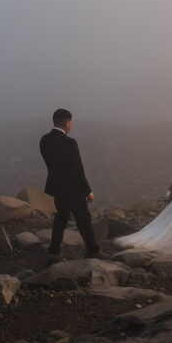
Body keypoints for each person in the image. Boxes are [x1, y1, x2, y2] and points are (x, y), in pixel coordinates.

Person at [40, 108, 101, 261]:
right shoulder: (70, 143)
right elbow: (78, 171)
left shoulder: (44, 140)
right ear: (67, 123)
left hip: (57, 188)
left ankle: (54, 251)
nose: (71, 126)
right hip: (73, 189)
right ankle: (93, 250)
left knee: (61, 218)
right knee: (84, 219)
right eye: (71, 123)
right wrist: (88, 192)